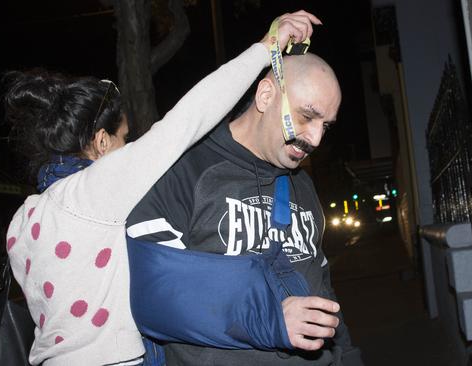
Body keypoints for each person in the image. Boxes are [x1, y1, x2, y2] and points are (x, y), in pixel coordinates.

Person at [3, 11, 313, 365]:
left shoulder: (23, 217)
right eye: (124, 139)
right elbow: (188, 119)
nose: (127, 146)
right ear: (102, 141)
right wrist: (266, 46)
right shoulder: (95, 191)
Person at [126, 36, 364, 365]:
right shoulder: (184, 171)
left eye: (325, 125)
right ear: (266, 95)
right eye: (306, 117)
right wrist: (268, 320)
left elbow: (322, 290)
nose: (316, 138)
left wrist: (349, 358)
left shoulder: (303, 185)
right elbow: (153, 298)